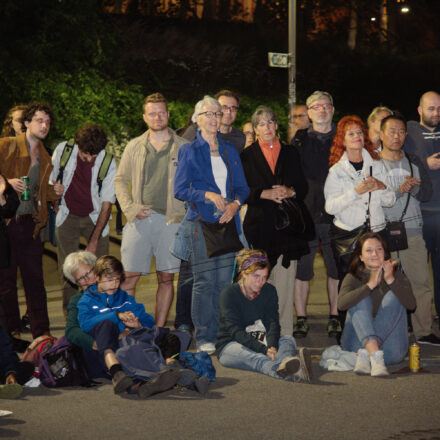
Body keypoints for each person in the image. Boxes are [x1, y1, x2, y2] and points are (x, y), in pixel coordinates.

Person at [173, 95, 249, 354]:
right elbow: (180, 189)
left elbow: (242, 188)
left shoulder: (229, 150)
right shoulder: (188, 150)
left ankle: (220, 333)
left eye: (218, 114)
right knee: (204, 282)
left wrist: (235, 204)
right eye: (209, 114)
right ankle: (204, 335)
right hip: (201, 224)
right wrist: (207, 195)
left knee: (223, 283)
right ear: (197, 119)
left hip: (228, 222)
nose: (215, 118)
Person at [114, 92, 187, 327]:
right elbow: (120, 180)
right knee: (128, 278)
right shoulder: (134, 146)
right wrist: (130, 207)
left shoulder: (184, 147)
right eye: (152, 113)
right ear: (144, 117)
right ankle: (129, 329)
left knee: (166, 278)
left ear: (168, 114)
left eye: (162, 112)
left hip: (171, 221)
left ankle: (159, 329)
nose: (158, 117)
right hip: (139, 220)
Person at [240, 105, 309, 337]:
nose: (267, 127)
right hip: (259, 227)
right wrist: (263, 193)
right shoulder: (246, 156)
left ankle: (285, 333)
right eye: (261, 124)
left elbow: (303, 187)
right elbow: (239, 191)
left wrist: (290, 192)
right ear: (255, 129)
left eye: (270, 122)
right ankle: (261, 333)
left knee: (285, 284)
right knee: (259, 282)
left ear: (277, 125)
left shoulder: (291, 152)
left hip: (288, 227)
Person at [0, 102, 59, 345]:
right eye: (39, 121)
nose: (44, 125)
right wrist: (6, 180)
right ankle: (10, 331)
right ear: (26, 123)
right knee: (5, 281)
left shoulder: (45, 155)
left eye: (47, 122)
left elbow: (41, 192)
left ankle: (41, 333)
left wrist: (55, 191)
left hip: (31, 225)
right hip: (6, 222)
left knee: (35, 281)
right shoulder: (6, 145)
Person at [380, 114, 440, 345]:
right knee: (386, 284)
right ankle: (386, 330)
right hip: (383, 232)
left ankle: (424, 330)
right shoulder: (373, 162)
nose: (397, 136)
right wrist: (397, 190)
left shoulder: (413, 161)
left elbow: (426, 194)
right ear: (382, 134)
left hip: (412, 229)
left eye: (401, 131)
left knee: (420, 283)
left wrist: (412, 189)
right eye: (392, 131)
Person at [216, 249, 312, 382]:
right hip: (233, 344)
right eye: (256, 276)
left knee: (287, 339)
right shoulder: (228, 294)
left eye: (264, 277)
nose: (260, 282)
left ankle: (287, 364)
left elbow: (272, 322)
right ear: (244, 273)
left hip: (263, 339)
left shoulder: (269, 290)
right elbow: (235, 331)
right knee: (257, 359)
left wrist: (272, 346)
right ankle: (289, 370)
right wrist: (263, 350)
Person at [50, 123, 116, 314]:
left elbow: (106, 204)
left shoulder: (108, 162)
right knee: (68, 270)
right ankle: (71, 314)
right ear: (78, 145)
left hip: (94, 217)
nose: (89, 159)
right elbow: (50, 181)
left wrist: (94, 240)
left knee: (103, 268)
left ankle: (101, 311)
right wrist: (55, 195)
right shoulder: (63, 150)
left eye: (94, 155)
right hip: (67, 214)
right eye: (85, 154)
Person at [76, 255, 166, 395]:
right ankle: (116, 372)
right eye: (109, 279)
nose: (114, 284)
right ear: (98, 277)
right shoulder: (86, 300)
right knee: (106, 324)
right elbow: (85, 324)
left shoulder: (125, 298)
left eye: (117, 279)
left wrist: (137, 325)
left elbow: (148, 321)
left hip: (124, 346)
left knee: (165, 334)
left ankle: (145, 383)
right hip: (99, 351)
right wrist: (116, 316)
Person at [291, 91, 340, 338]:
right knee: (303, 270)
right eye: (316, 106)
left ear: (333, 109)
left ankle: (335, 315)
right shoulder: (299, 141)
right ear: (309, 113)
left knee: (335, 268)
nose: (322, 110)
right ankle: (301, 317)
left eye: (326, 105)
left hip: (337, 215)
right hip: (306, 216)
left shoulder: (344, 138)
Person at [324, 115, 395, 281]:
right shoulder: (336, 171)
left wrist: (381, 186)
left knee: (380, 282)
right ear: (342, 140)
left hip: (377, 232)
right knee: (352, 284)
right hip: (348, 235)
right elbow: (330, 207)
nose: (357, 137)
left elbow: (390, 200)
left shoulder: (378, 165)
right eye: (351, 134)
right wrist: (356, 192)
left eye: (359, 133)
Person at [339, 232, 416, 376]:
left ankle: (370, 353)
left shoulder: (396, 276)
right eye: (368, 250)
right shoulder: (352, 276)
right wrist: (369, 285)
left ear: (385, 254)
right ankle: (374, 354)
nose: (374, 253)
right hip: (356, 344)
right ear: (361, 257)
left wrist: (390, 280)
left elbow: (411, 305)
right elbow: (341, 305)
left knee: (395, 296)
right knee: (359, 297)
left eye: (379, 249)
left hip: (388, 351)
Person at [404, 91, 440, 325]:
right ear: (419, 110)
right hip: (419, 214)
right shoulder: (408, 132)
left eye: (439, 109)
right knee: (416, 273)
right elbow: (399, 162)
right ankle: (415, 319)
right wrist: (425, 165)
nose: (436, 113)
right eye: (431, 108)